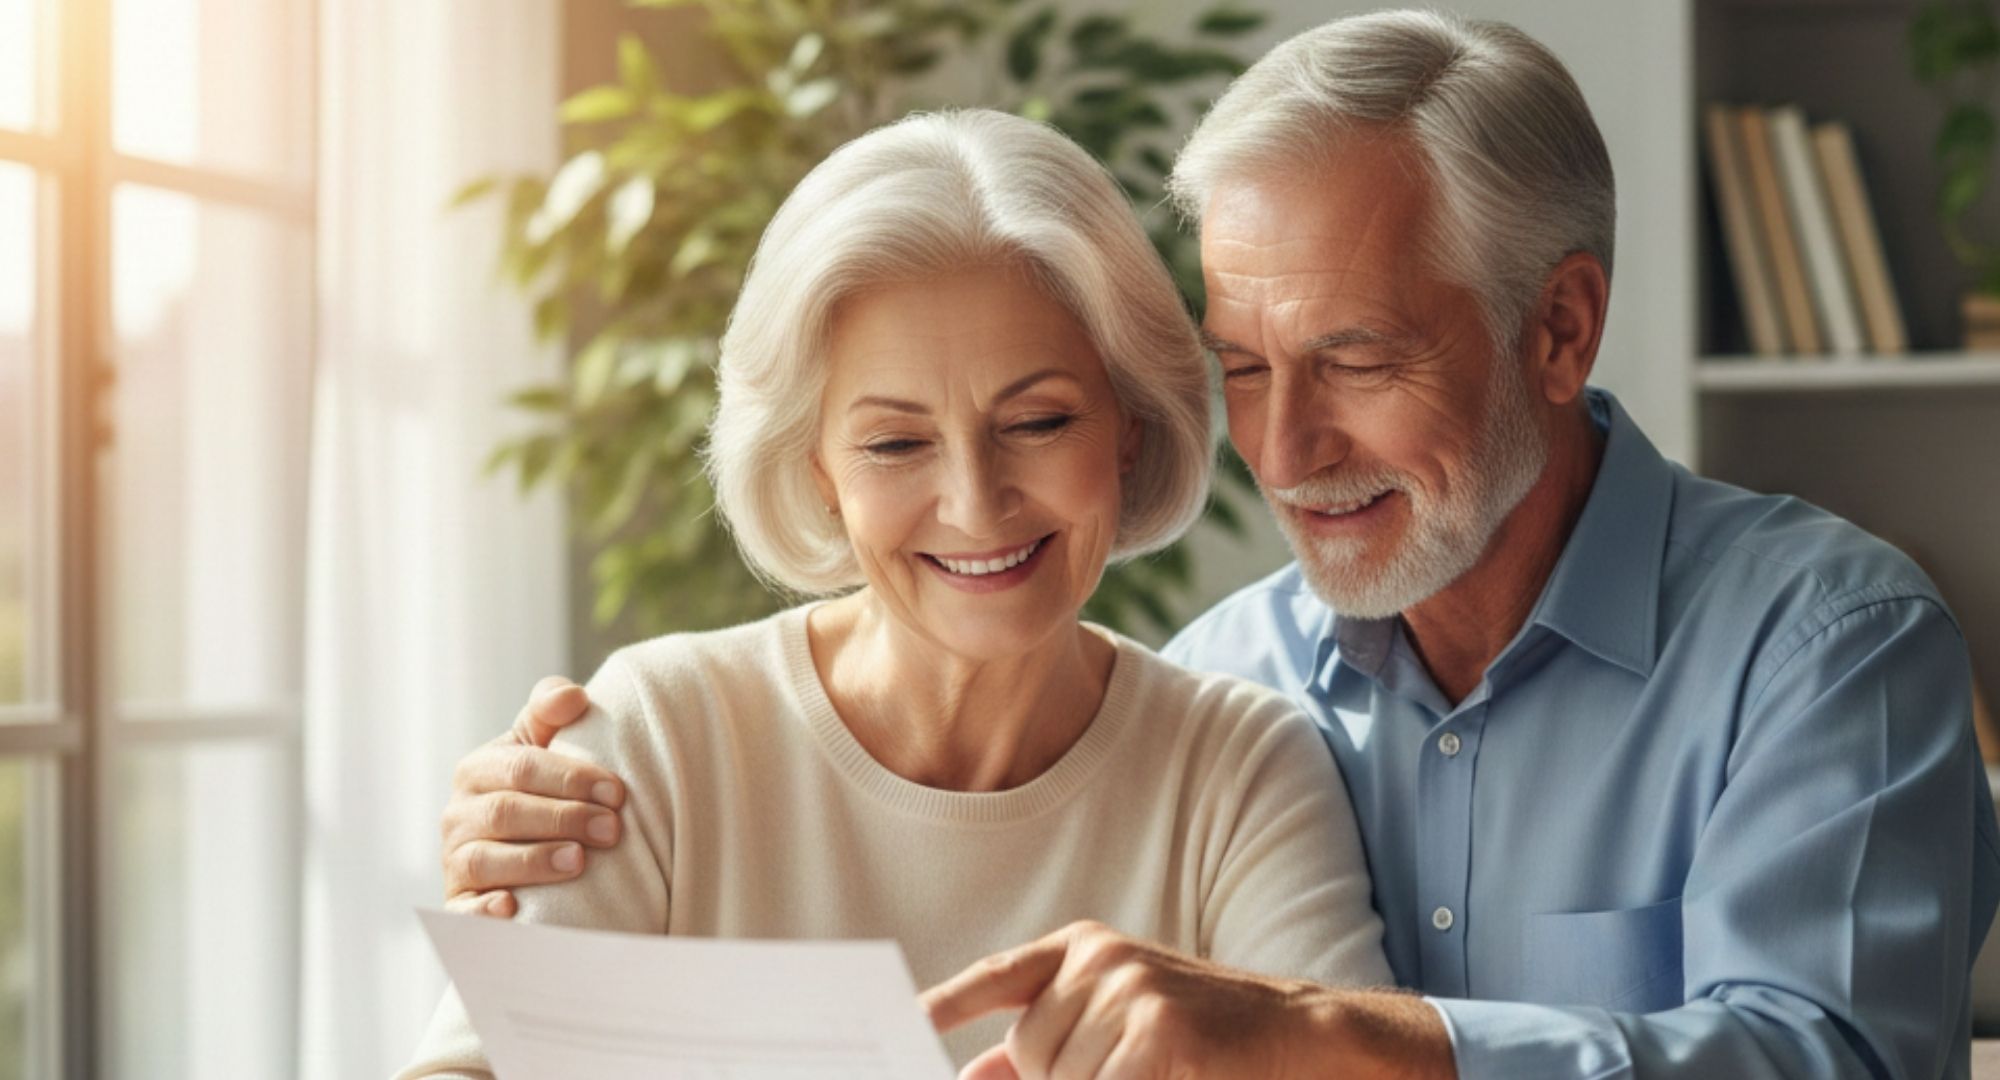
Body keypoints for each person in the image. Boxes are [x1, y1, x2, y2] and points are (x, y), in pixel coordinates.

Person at [442, 11, 2000, 1080]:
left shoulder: (1826, 646)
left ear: (1561, 329)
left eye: (1359, 359)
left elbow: (1829, 1061)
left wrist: (1347, 1042)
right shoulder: (1238, 680)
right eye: (1244, 370)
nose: (1285, 450)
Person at [400, 108, 1394, 1078]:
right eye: (894, 443)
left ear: (1126, 426)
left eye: (1037, 421)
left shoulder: (1239, 773)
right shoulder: (657, 733)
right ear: (817, 470)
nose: (974, 504)